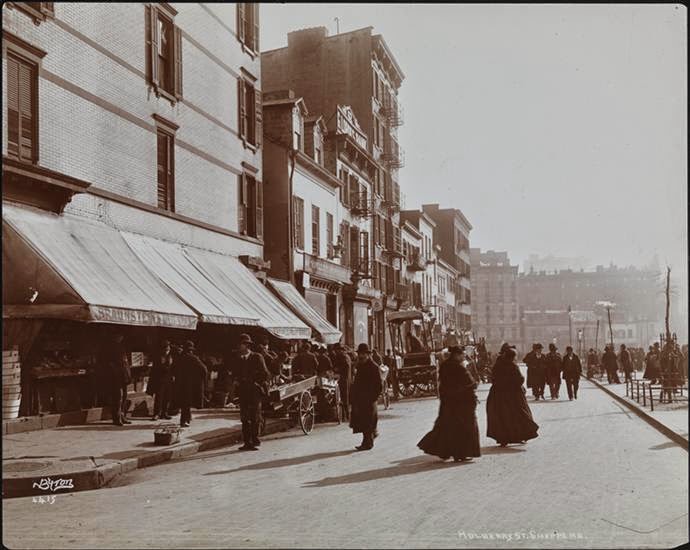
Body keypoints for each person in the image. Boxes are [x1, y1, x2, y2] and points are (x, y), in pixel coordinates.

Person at [418, 346, 480, 462]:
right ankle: (461, 453)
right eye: (462, 354)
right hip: (462, 402)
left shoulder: (444, 365)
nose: (464, 356)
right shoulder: (459, 368)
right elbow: (471, 383)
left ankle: (446, 450)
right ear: (457, 355)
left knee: (448, 426)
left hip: (448, 401)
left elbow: (442, 383)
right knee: (464, 427)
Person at [486, 345, 539, 447]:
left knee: (501, 416)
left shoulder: (498, 364)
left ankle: (503, 438)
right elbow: (520, 379)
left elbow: (493, 377)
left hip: (498, 394)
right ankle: (520, 435)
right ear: (512, 357)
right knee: (518, 414)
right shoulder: (513, 366)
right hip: (513, 395)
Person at [233, 334, 270, 450]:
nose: (239, 347)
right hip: (243, 392)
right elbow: (236, 373)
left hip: (255, 391)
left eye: (240, 345)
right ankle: (247, 442)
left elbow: (265, 374)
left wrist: (256, 382)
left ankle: (255, 440)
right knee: (244, 418)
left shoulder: (257, 357)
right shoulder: (238, 359)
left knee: (254, 417)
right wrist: (237, 381)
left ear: (246, 345)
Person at [350, 343, 382, 451]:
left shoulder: (373, 367)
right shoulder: (360, 366)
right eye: (360, 354)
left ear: (368, 355)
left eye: (363, 354)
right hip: (360, 399)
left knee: (368, 422)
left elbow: (379, 385)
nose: (361, 356)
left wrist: (373, 398)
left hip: (369, 399)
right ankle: (367, 440)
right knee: (363, 422)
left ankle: (368, 443)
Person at [173, 341, 208, 427]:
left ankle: (185, 419)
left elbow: (172, 370)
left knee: (184, 403)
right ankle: (185, 420)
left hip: (180, 384)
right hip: (190, 384)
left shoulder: (178, 358)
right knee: (186, 403)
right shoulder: (194, 358)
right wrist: (200, 380)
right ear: (191, 350)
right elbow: (204, 370)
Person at [100, 333, 132, 426]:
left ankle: (122, 415)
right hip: (116, 377)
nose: (120, 337)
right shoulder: (110, 348)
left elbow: (125, 363)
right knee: (118, 397)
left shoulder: (122, 347)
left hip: (124, 377)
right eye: (118, 336)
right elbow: (109, 364)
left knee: (124, 397)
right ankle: (116, 418)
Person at [149, 340, 174, 420]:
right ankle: (157, 413)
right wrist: (168, 367)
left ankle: (164, 413)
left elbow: (173, 366)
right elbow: (159, 367)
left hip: (168, 379)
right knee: (159, 397)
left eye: (168, 347)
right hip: (160, 379)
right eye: (166, 347)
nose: (168, 348)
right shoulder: (159, 356)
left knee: (167, 397)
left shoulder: (170, 356)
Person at [333, 343, 352, 420]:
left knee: (344, 396)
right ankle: (345, 415)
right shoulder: (344, 356)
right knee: (344, 396)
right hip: (345, 378)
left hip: (344, 378)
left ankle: (346, 414)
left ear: (340, 350)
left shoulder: (343, 357)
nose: (336, 352)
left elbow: (346, 367)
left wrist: (338, 370)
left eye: (337, 350)